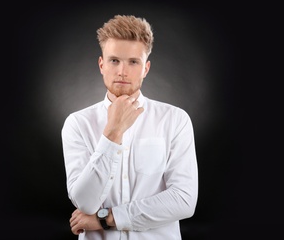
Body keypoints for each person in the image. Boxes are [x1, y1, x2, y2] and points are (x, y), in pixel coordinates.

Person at [61, 14, 198, 239]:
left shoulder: (175, 120)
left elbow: (184, 200)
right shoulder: (77, 124)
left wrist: (104, 219)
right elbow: (85, 202)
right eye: (114, 60)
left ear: (146, 68)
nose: (122, 71)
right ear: (101, 64)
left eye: (133, 62)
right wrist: (113, 131)